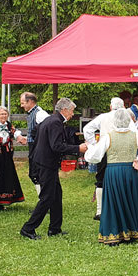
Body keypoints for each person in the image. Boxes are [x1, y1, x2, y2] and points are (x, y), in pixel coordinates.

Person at [19, 98, 88, 240]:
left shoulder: (50, 120)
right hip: (46, 164)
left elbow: (37, 134)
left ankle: (55, 228)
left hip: (45, 162)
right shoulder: (55, 122)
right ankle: (28, 228)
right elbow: (56, 146)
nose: (72, 114)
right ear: (64, 110)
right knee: (47, 197)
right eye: (72, 111)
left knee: (56, 195)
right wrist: (78, 148)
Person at [86, 108, 138, 244]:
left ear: (114, 122)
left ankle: (114, 234)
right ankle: (131, 232)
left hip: (114, 172)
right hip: (130, 172)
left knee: (114, 202)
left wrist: (89, 147)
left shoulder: (108, 137)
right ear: (128, 121)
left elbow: (95, 156)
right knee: (130, 200)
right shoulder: (135, 135)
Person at [83, 98, 126, 220]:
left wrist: (94, 145)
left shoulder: (103, 117)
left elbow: (87, 129)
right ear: (123, 106)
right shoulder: (126, 117)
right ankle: (119, 210)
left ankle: (100, 211)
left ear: (110, 107)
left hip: (105, 150)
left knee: (101, 179)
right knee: (120, 178)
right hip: (122, 151)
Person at [19, 91, 50, 195]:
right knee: (34, 174)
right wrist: (27, 138)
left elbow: (49, 129)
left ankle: (44, 198)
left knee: (37, 174)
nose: (21, 105)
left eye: (23, 103)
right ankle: (43, 198)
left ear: (30, 101)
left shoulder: (40, 113)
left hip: (39, 148)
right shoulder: (32, 113)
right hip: (33, 146)